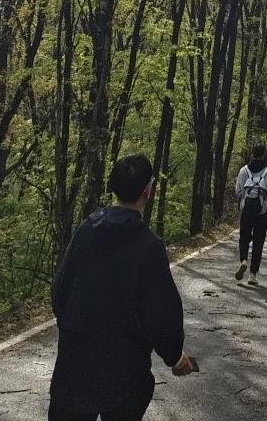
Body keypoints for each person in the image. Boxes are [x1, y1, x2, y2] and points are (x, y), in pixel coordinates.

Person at [49, 154, 196, 421]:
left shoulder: (86, 230)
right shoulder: (148, 246)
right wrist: (175, 358)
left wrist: (74, 328)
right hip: (124, 371)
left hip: (74, 365)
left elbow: (60, 291)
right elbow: (163, 313)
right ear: (147, 191)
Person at [234, 145, 267, 286]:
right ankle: (253, 274)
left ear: (251, 154)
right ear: (264, 154)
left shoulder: (244, 170)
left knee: (244, 238)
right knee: (259, 241)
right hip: (261, 211)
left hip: (246, 210)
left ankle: (243, 260)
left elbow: (238, 191)